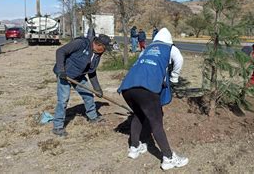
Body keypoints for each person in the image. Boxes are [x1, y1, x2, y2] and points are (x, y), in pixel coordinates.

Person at [117, 28, 188, 170]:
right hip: (146, 88)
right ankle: (168, 158)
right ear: (169, 40)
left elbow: (142, 64)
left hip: (127, 87)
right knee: (156, 123)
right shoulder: (169, 48)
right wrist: (174, 77)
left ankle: (134, 147)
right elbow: (179, 59)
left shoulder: (147, 49)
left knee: (138, 115)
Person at [52, 33, 111, 136]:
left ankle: (92, 117)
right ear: (99, 45)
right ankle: (58, 127)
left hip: (78, 76)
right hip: (65, 75)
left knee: (88, 95)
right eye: (104, 48)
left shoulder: (97, 55)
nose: (105, 51)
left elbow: (92, 71)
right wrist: (61, 70)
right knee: (63, 100)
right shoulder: (81, 43)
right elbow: (60, 51)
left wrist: (97, 89)